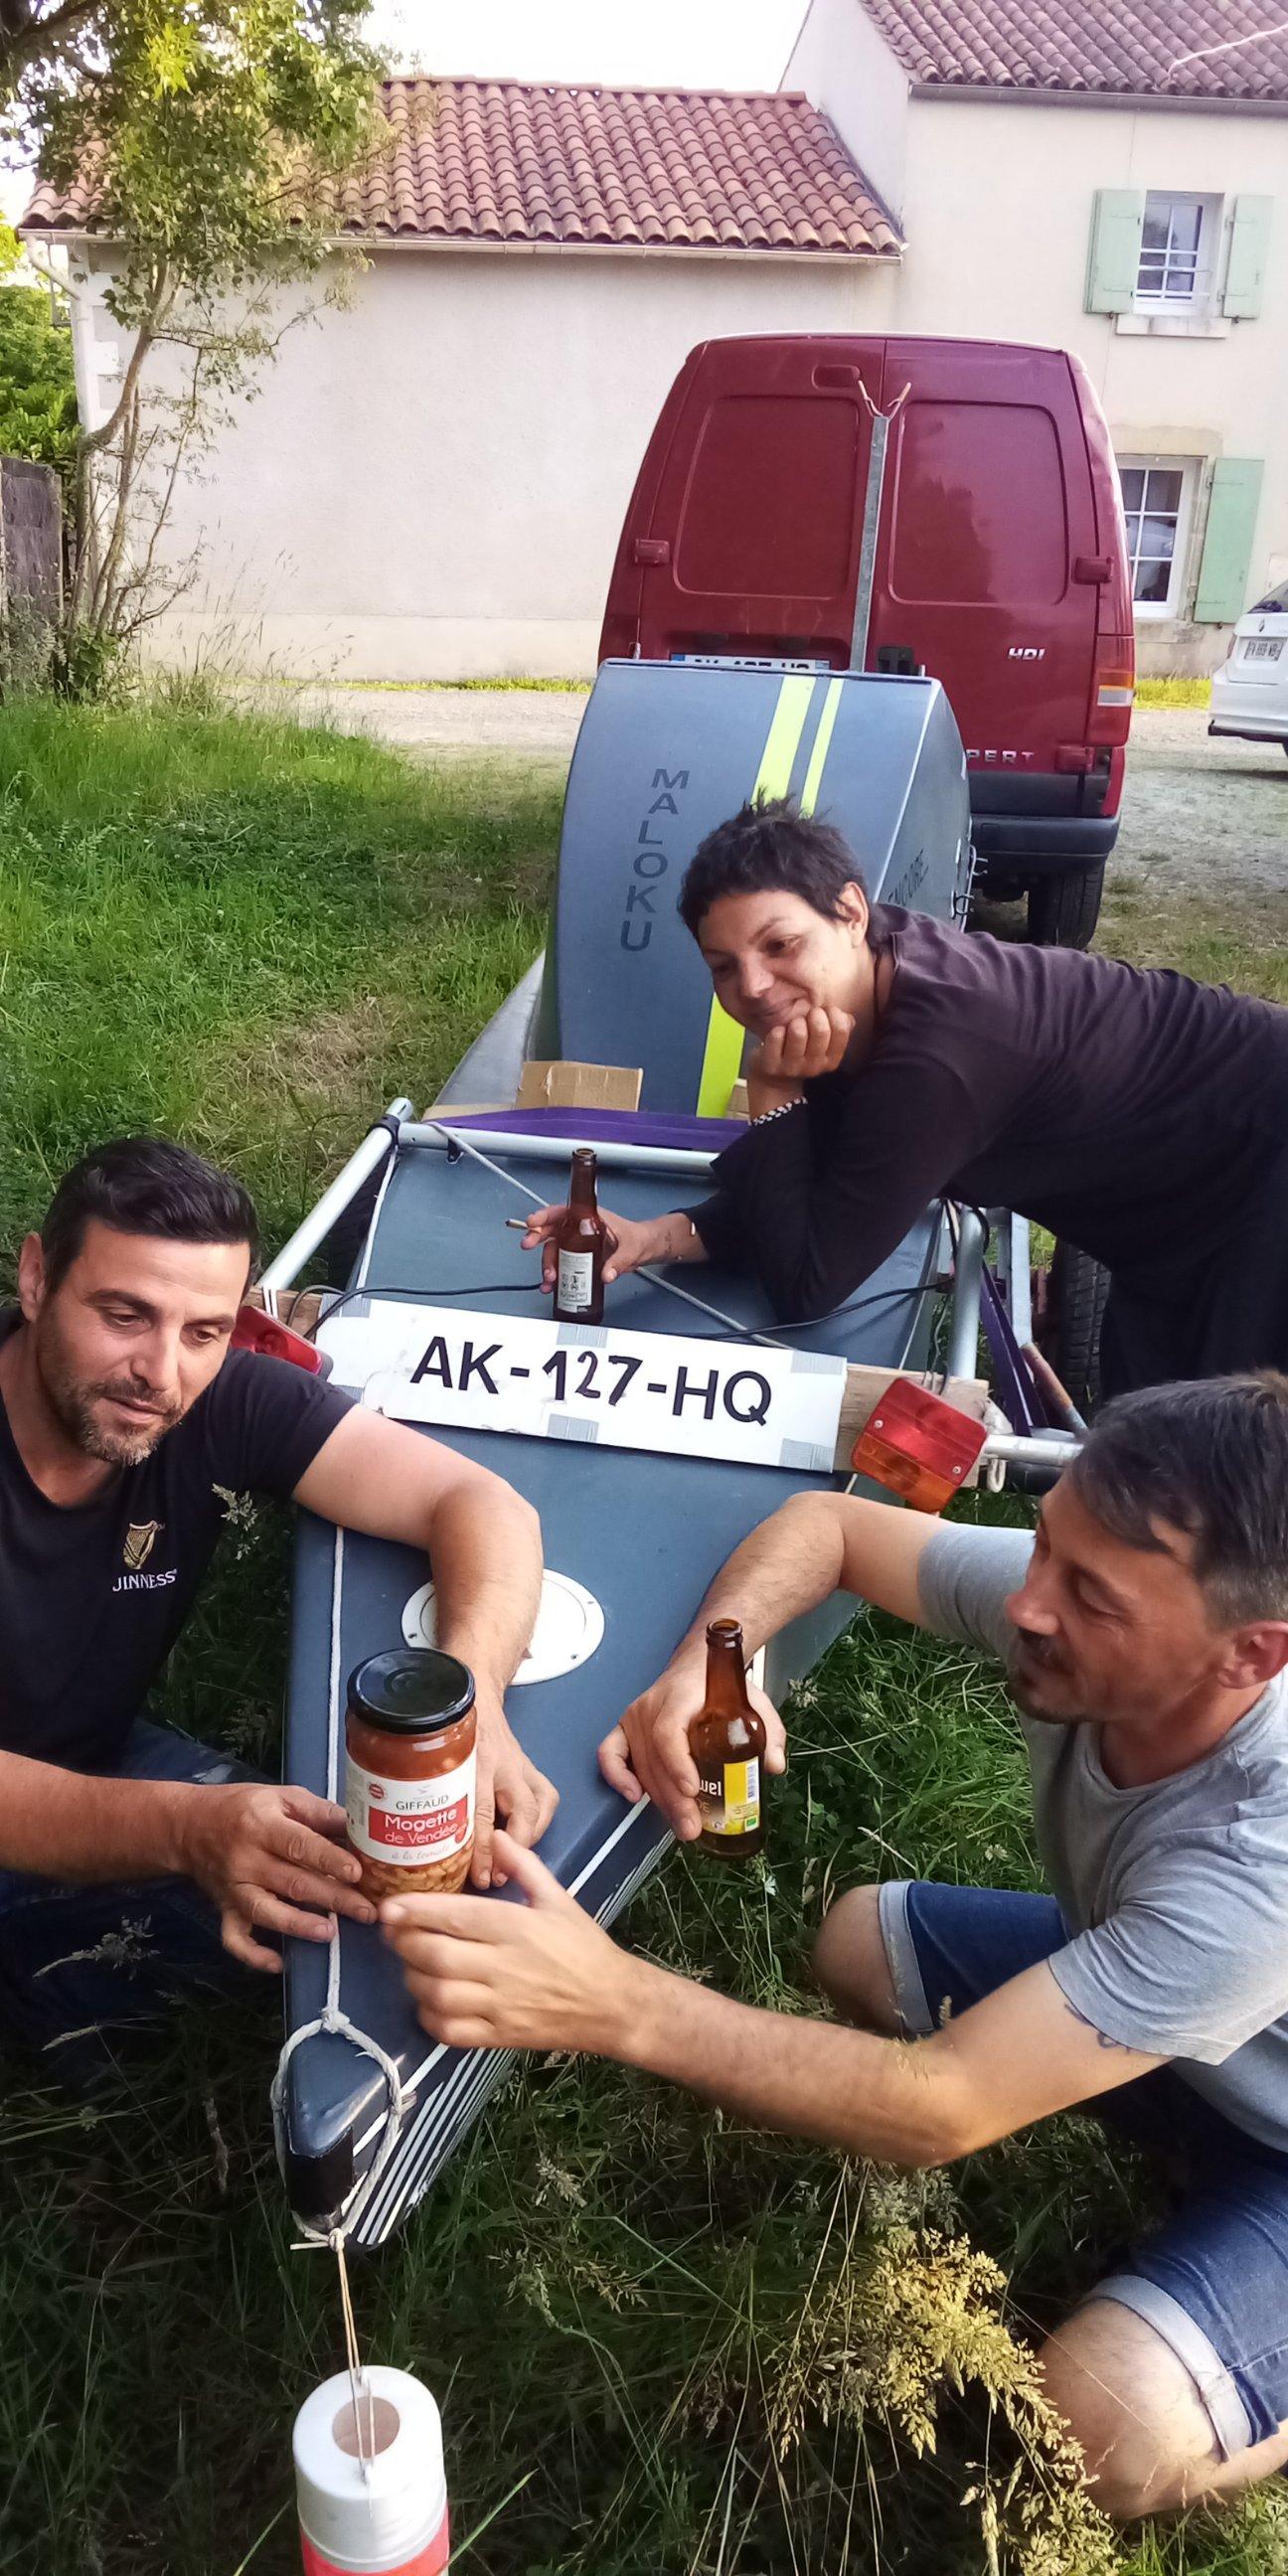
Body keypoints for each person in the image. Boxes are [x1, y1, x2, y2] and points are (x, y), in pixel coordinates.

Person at [383, 1372, 1288, 2518]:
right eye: (1043, 1545)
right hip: (1205, 2035)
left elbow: (941, 2106)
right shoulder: (1085, 1597)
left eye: (1091, 1598)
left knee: (1098, 2426)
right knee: (860, 1941)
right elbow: (834, 1528)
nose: (1028, 1603)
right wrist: (712, 1666)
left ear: (1251, 1656)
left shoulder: (1265, 1852)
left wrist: (611, 1999)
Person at [0, 1136, 553, 2083]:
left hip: (92, 1764)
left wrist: (470, 1704)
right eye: (124, 1315)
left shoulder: (218, 1398)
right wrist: (183, 1829)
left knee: (359, 1888)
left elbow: (480, 1505)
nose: (161, 1372)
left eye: (204, 1332)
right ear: (37, 1277)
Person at [521, 798, 1288, 1395]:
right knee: (1160, 1440)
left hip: (1259, 1167)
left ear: (851, 912)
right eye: (723, 966)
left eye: (779, 945)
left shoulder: (939, 1058)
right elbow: (821, 1191)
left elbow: (809, 1282)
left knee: (1219, 1463)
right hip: (1180, 1212)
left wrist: (777, 1092)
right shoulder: (862, 979)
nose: (752, 986)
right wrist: (655, 1237)